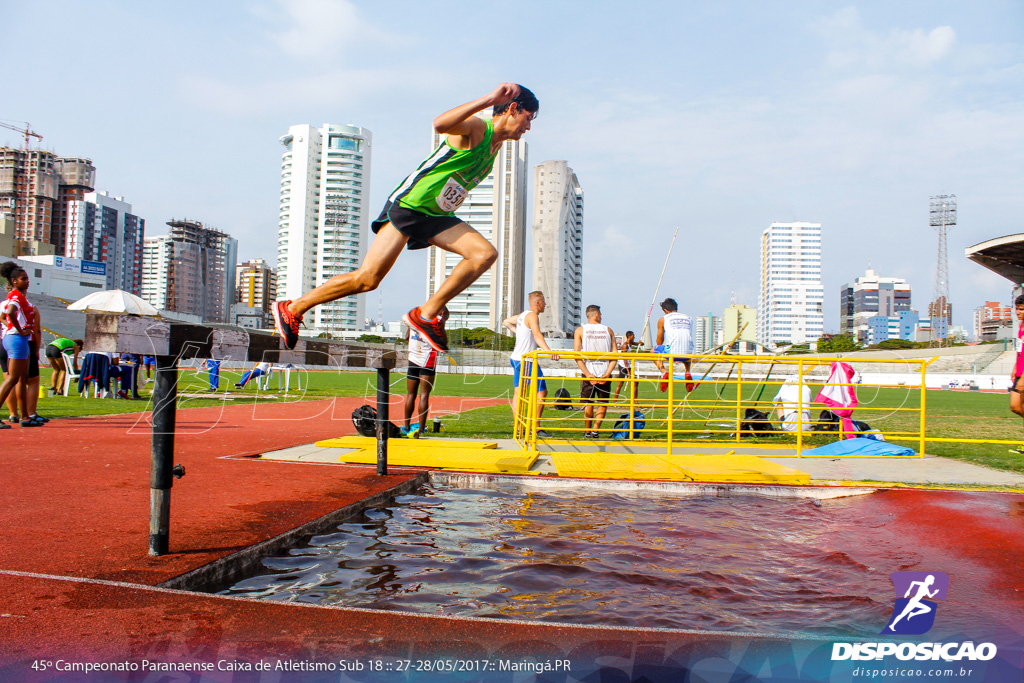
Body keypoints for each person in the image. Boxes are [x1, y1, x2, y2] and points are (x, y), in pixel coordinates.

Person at [273, 83, 539, 353]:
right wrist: (489, 99)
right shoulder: (479, 130)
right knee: (367, 279)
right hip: (410, 205)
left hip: (436, 215)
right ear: (513, 109)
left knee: (483, 254)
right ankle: (293, 309)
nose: (528, 127)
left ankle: (426, 314)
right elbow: (441, 124)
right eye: (529, 118)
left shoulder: (494, 149)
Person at [503, 291, 557, 438]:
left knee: (519, 393)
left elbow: (506, 322)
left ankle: (520, 428)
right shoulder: (532, 315)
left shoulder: (522, 315)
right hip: (525, 360)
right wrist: (549, 351)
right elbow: (537, 335)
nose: (545, 304)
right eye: (544, 301)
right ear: (537, 303)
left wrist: (517, 333)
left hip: (517, 358)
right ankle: (535, 427)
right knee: (541, 392)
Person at [0, 262, 41, 427]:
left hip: (18, 339)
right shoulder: (16, 295)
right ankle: (22, 416)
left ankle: (25, 417)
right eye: (23, 279)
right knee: (12, 379)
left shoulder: (16, 295)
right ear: (14, 280)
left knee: (21, 379)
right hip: (17, 339)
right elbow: (9, 312)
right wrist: (19, 329)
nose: (27, 281)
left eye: (27, 278)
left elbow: (4, 315)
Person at [403, 307, 448, 438]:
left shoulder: (415, 319)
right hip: (427, 360)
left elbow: (407, 337)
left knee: (410, 394)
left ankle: (406, 426)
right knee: (424, 395)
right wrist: (442, 325)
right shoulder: (438, 321)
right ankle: (421, 429)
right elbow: (443, 343)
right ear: (442, 313)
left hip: (413, 359)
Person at [574, 305, 616, 438]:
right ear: (597, 314)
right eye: (601, 314)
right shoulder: (608, 330)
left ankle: (587, 431)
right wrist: (608, 373)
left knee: (588, 403)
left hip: (589, 371)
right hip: (604, 370)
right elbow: (615, 354)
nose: (601, 316)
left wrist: (587, 374)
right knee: (602, 403)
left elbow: (577, 355)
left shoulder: (580, 330)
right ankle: (595, 430)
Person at [653, 298, 695, 393]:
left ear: (665, 310)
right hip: (688, 354)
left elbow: (659, 341)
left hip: (671, 352)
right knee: (686, 348)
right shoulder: (688, 317)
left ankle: (664, 372)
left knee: (653, 351)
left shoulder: (664, 319)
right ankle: (687, 371)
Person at [1009, 295, 1024, 454]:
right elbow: (1021, 350)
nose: (1018, 312)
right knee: (1015, 407)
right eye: (1017, 308)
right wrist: (1015, 367)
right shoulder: (1021, 326)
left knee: (1017, 405)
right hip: (1020, 372)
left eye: (1022, 309)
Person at [612, 330, 640, 401]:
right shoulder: (625, 345)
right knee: (620, 384)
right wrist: (628, 372)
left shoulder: (631, 343)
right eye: (633, 336)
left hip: (628, 365)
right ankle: (615, 401)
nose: (634, 337)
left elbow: (637, 343)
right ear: (630, 336)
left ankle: (635, 401)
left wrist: (640, 343)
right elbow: (624, 360)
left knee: (635, 381)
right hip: (623, 366)